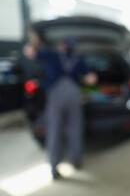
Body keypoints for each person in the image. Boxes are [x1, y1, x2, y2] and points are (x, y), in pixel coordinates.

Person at [23, 34, 97, 179]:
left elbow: (29, 52)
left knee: (54, 129)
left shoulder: (52, 55)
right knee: (75, 128)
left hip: (56, 96)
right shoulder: (79, 60)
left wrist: (34, 42)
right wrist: (83, 77)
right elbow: (92, 80)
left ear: (62, 45)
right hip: (73, 96)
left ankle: (54, 167)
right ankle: (76, 160)